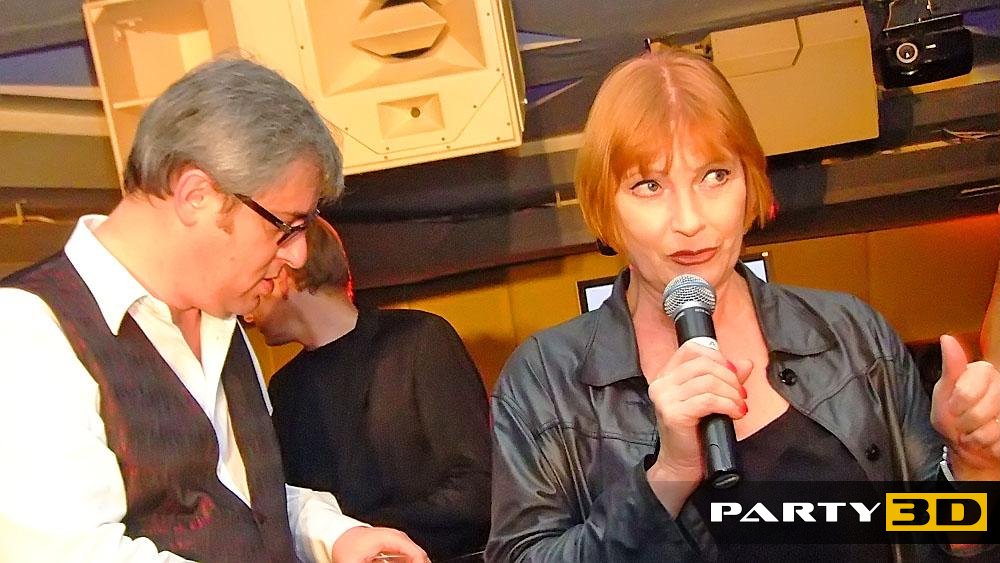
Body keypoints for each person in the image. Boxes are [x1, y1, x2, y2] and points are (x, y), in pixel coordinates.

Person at [487, 48, 1000, 561]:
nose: (690, 220)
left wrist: (973, 464)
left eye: (715, 176)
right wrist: (668, 476)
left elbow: (946, 535)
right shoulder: (547, 381)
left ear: (750, 180)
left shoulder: (852, 334)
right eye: (649, 185)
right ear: (605, 205)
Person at [0, 57, 426, 563]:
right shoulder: (27, 330)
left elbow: (244, 503)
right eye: (285, 227)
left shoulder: (221, 319)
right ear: (196, 195)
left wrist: (332, 536)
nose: (298, 255)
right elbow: (72, 553)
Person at [245, 218, 492, 561]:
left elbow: (477, 489)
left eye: (254, 280)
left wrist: (358, 537)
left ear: (281, 275)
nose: (246, 313)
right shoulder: (284, 390)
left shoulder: (420, 339)